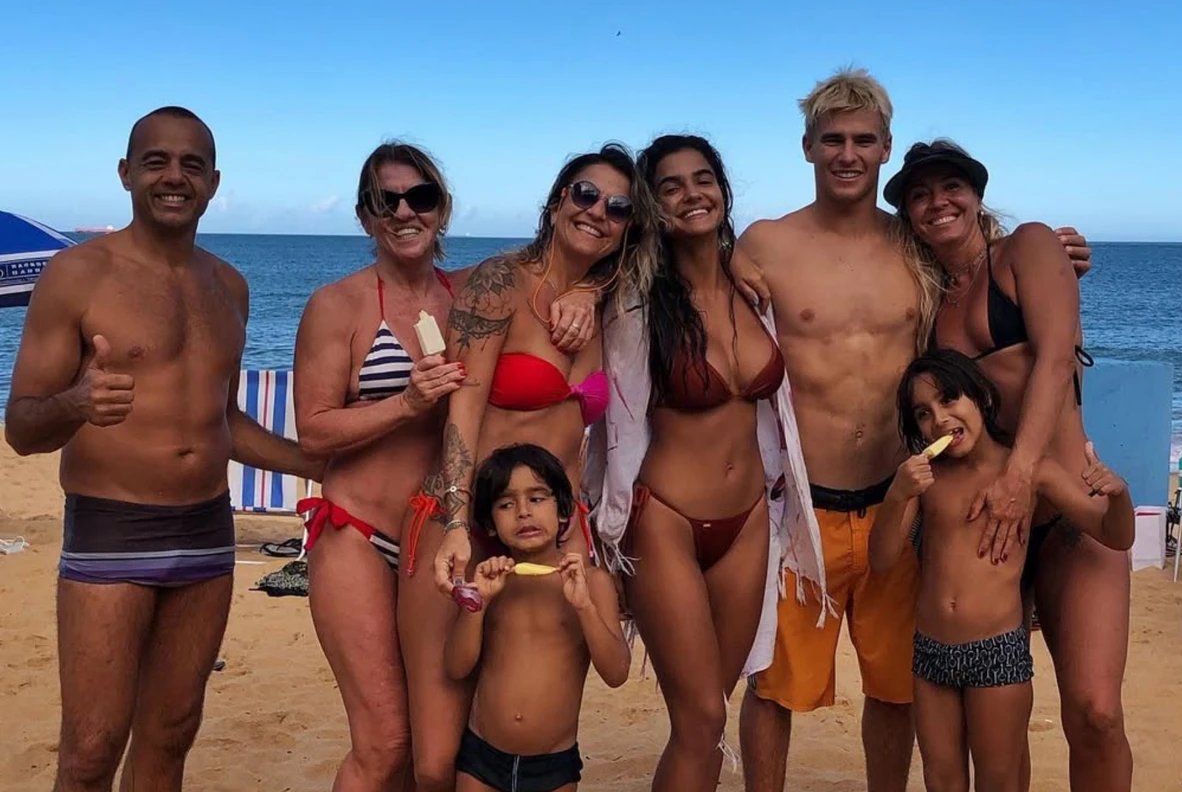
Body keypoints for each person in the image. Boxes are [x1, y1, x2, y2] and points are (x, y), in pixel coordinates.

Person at [728, 69, 1095, 792]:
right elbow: (697, 294)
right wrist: (724, 258)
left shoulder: (917, 249)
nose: (847, 153)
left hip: (903, 494)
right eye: (832, 138)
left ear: (886, 149)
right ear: (807, 146)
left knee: (895, 686)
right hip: (804, 506)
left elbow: (990, 268)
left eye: (864, 140)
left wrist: (1064, 254)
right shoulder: (765, 244)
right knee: (775, 685)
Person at [3, 105, 322, 792]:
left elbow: (223, 420)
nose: (174, 176)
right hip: (112, 528)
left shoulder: (230, 286)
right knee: (90, 751)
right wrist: (73, 405)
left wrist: (314, 465)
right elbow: (22, 428)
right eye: (156, 161)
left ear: (213, 182)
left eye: (191, 164)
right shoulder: (76, 276)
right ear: (125, 173)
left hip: (207, 531)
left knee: (171, 734)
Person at [292, 141, 598, 792]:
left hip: (446, 526)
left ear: (443, 207)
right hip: (362, 534)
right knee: (386, 742)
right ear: (364, 214)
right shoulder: (338, 305)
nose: (404, 211)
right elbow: (314, 434)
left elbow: (563, 262)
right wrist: (406, 402)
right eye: (385, 200)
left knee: (448, 741)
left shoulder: (471, 291)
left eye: (420, 197)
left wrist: (593, 290)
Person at [884, 138, 1130, 791]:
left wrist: (1021, 476)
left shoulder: (1028, 248)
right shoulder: (932, 304)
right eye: (919, 195)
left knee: (1096, 713)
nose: (938, 203)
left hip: (1066, 508)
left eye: (951, 187)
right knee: (998, 733)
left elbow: (1054, 357)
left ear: (976, 192)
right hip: (988, 522)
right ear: (908, 214)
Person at [582, 134, 823, 792]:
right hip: (667, 522)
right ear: (652, 209)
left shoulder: (754, 290)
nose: (693, 194)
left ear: (724, 189)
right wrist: (581, 294)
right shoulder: (633, 299)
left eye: (704, 179)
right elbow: (563, 280)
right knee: (698, 721)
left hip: (750, 522)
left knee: (713, 716)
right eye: (671, 186)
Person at [869, 349, 1134, 792]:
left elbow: (1114, 535)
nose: (940, 419)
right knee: (941, 780)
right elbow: (881, 558)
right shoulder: (926, 480)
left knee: (999, 780)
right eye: (923, 414)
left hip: (996, 652)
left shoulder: (1027, 474)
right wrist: (897, 494)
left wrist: (1119, 495)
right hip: (931, 653)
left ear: (982, 399)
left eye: (950, 400)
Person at [431, 142, 658, 595]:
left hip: (560, 529)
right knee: (445, 668)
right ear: (557, 203)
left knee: (546, 667)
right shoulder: (501, 281)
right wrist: (456, 520)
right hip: (476, 521)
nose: (597, 212)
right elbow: (464, 408)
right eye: (586, 194)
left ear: (628, 229)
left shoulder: (613, 304)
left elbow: (691, 255)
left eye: (618, 207)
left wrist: (591, 290)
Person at [445, 443, 629, 792]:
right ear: (490, 523)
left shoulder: (591, 581)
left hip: (552, 767)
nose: (523, 513)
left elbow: (617, 672)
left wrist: (584, 607)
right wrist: (478, 604)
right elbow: (456, 667)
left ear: (563, 510)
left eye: (537, 498)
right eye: (506, 504)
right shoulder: (489, 579)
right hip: (481, 758)